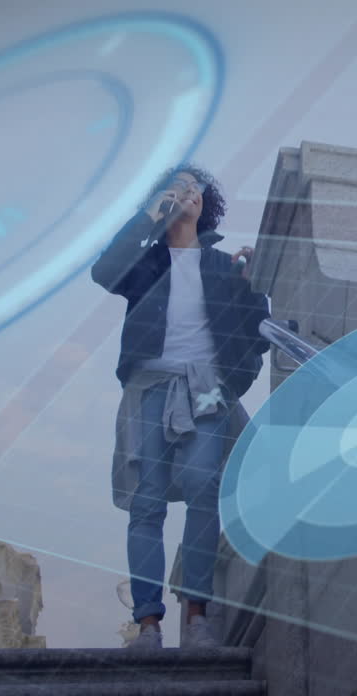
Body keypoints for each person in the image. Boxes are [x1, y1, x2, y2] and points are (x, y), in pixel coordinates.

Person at [91, 165, 271, 649]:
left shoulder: (222, 265)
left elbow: (255, 329)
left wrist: (255, 283)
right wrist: (149, 213)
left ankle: (196, 614)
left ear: (206, 202)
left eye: (197, 188)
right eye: (179, 186)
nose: (189, 193)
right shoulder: (145, 263)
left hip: (207, 387)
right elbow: (103, 273)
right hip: (151, 384)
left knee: (202, 487)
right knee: (146, 502)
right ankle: (147, 623)